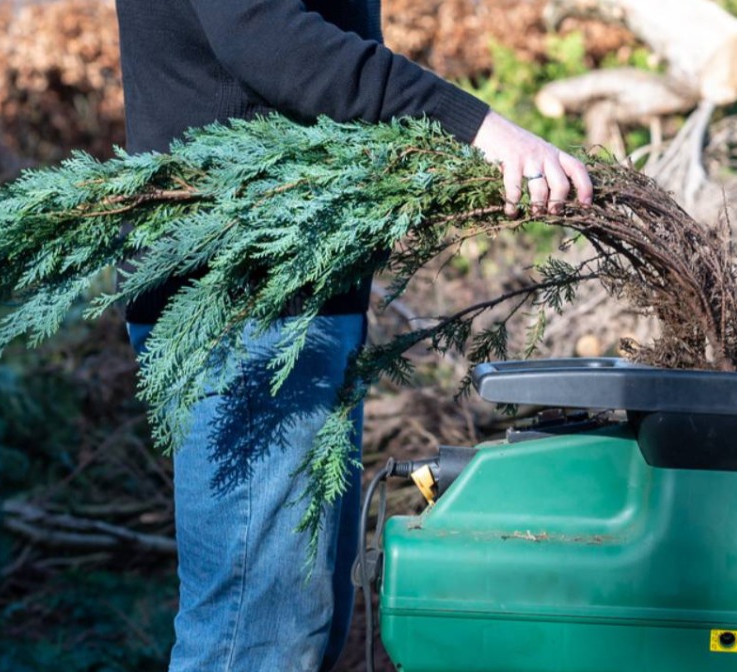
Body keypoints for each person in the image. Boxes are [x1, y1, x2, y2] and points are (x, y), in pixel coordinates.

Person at [112, 0, 593, 667]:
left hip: (290, 297)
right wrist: (472, 125)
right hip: (250, 301)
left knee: (298, 629)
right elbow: (264, 36)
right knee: (256, 639)